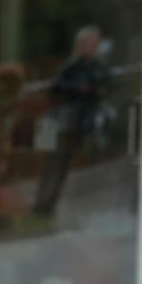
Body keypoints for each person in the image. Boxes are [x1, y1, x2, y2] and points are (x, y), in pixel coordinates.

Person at [33, 25, 108, 218]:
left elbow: (104, 84)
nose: (94, 47)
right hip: (62, 123)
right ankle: (42, 206)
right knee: (54, 165)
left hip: (78, 122)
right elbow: (56, 88)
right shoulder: (72, 66)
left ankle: (49, 206)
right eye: (91, 44)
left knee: (63, 166)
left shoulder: (95, 66)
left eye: (96, 44)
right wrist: (79, 88)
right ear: (81, 45)